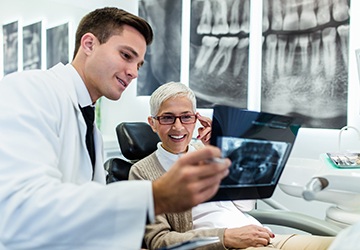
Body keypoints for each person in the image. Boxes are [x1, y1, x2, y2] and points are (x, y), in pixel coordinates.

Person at [0, 8, 230, 249]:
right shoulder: (29, 89)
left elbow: (90, 222)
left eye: (139, 64)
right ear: (89, 44)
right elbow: (21, 211)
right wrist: (154, 197)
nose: (133, 72)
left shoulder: (91, 131)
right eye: (126, 56)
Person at [129, 81, 335, 249]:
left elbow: (245, 205)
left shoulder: (206, 151)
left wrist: (225, 151)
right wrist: (226, 237)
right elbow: (160, 241)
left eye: (186, 117)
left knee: (346, 244)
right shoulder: (142, 172)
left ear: (196, 119)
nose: (178, 126)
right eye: (167, 118)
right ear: (153, 123)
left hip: (263, 237)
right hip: (226, 245)